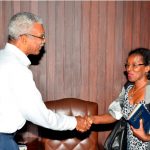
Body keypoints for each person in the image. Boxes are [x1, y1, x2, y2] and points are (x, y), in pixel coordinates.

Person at [0, 12, 92, 150]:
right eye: (41, 37)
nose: (44, 41)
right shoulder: (17, 69)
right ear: (24, 38)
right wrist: (74, 122)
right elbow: (40, 115)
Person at [89, 48, 150, 149]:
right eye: (127, 65)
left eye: (134, 65)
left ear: (147, 68)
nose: (129, 69)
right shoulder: (128, 88)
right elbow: (115, 114)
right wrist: (91, 119)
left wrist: (146, 137)